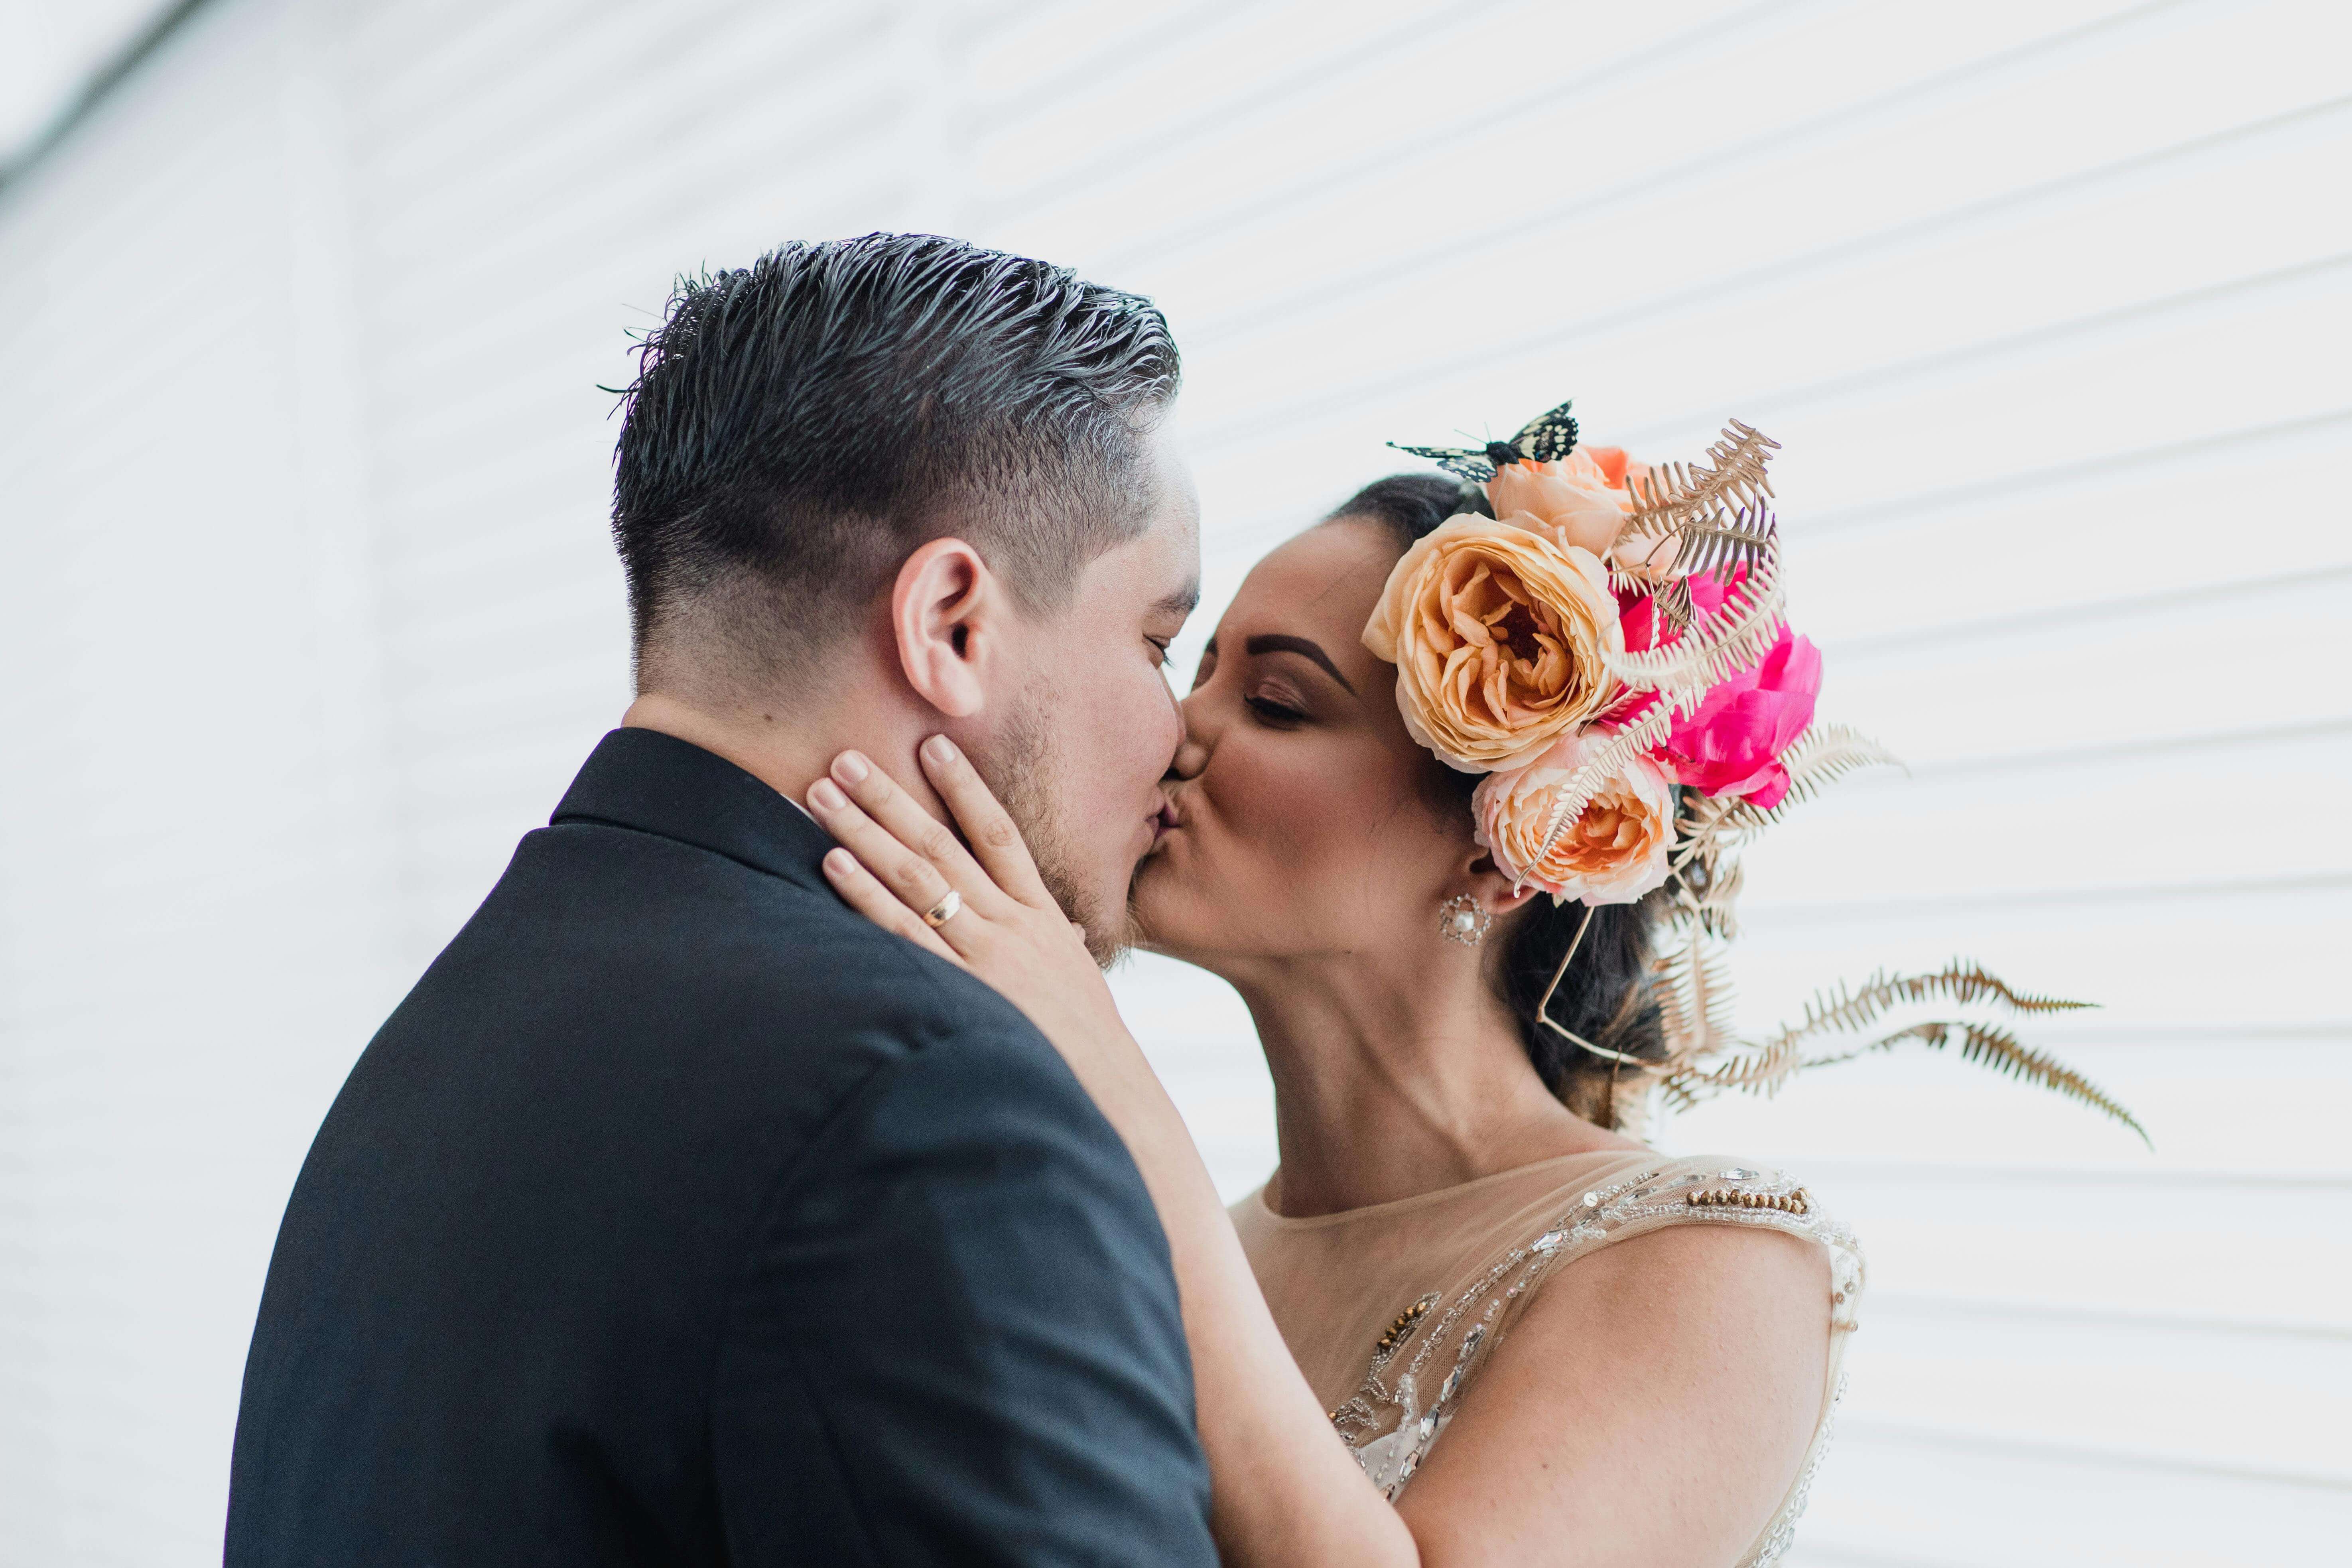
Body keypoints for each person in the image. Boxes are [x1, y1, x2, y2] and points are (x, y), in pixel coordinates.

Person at [224, 234, 1221, 1567]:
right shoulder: (927, 1101)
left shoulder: (442, 1042)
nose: (1180, 729)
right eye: (1157, 642)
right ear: (953, 626)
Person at [809, 457, 1870, 1566]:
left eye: (1275, 701)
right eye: (1187, 667)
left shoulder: (1709, 1261)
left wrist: (1101, 1068)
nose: (1172, 731)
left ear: (1507, 843)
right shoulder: (1204, 1242)